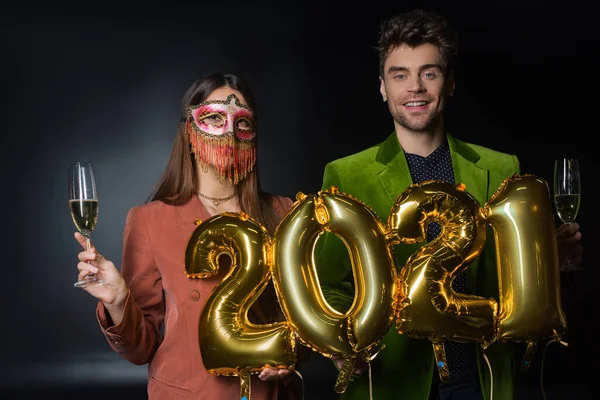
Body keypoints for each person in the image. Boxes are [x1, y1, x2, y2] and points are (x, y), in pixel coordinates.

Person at [314, 9, 583, 400]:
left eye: (429, 73)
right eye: (399, 74)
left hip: (481, 378)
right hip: (391, 381)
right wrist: (340, 343)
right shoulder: (345, 174)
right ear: (382, 88)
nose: (415, 88)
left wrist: (554, 267)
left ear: (450, 82)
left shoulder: (502, 168)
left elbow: (520, 289)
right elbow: (330, 286)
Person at [73, 71, 303, 400]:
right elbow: (141, 349)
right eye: (213, 118)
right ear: (189, 132)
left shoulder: (283, 212)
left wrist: (291, 354)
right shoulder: (150, 221)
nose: (229, 133)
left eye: (242, 123)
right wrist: (118, 300)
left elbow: (303, 317)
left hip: (266, 392)